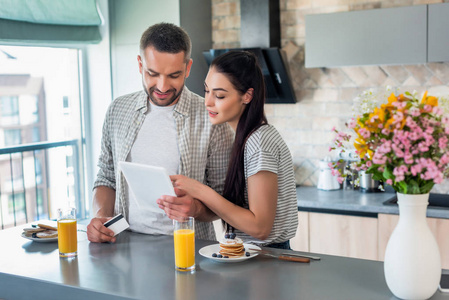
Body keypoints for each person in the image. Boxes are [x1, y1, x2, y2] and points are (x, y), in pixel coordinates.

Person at [87, 23, 234, 243]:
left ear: (188, 68)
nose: (163, 86)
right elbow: (107, 177)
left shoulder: (212, 120)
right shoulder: (118, 110)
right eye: (152, 74)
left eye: (174, 75)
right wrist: (100, 217)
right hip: (123, 244)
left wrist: (194, 208)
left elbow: (224, 200)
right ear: (140, 64)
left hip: (187, 249)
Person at [158, 51, 298, 249]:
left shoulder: (259, 142)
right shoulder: (246, 137)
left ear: (247, 96)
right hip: (250, 253)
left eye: (220, 95)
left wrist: (199, 189)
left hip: (267, 257)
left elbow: (260, 228)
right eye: (207, 91)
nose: (208, 101)